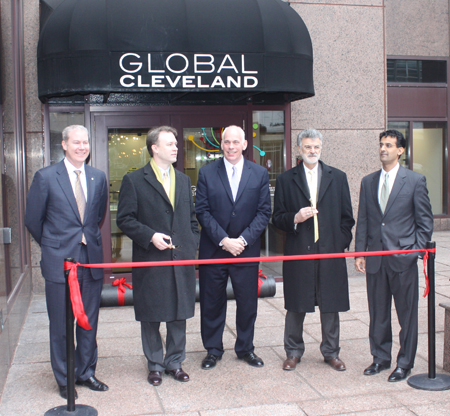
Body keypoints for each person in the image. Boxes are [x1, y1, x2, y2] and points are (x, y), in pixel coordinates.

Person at [25, 125, 108, 399]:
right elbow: (33, 221)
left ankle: (85, 372)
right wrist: (55, 244)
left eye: (85, 142)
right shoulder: (46, 177)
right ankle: (64, 378)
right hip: (59, 263)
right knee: (61, 324)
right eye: (76, 142)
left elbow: (97, 217)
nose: (82, 147)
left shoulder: (98, 177)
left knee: (89, 321)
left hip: (89, 261)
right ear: (64, 144)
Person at [116, 126, 199, 386]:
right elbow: (125, 219)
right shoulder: (135, 180)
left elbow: (191, 219)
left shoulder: (183, 180)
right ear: (154, 148)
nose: (176, 147)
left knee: (178, 314)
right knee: (151, 315)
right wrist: (150, 235)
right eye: (170, 144)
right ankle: (154, 364)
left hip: (180, 259)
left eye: (176, 143)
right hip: (151, 259)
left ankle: (175, 362)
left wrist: (190, 244)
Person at [272, 128, 354, 372]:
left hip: (330, 251)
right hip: (299, 251)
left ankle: (331, 352)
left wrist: (339, 243)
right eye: (308, 147)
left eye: (316, 147)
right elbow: (277, 218)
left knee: (331, 304)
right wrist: (295, 218)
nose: (312, 151)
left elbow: (347, 218)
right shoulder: (286, 179)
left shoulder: (337, 177)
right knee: (296, 305)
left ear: (321, 148)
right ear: (299, 149)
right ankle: (293, 352)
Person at [355, 129, 433, 382]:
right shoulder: (368, 181)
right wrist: (360, 253)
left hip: (403, 259)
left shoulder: (414, 181)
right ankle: (380, 358)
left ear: (400, 150)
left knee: (406, 315)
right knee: (378, 313)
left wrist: (414, 252)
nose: (383, 149)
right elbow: (364, 220)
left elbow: (425, 222)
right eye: (381, 144)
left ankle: (405, 363)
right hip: (376, 259)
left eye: (389, 145)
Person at [195, 125, 271, 370]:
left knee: (247, 302)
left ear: (245, 144)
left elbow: (263, 212)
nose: (230, 146)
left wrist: (243, 240)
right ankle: (213, 350)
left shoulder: (259, 173)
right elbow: (202, 211)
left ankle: (245, 348)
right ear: (221, 144)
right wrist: (224, 240)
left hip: (246, 250)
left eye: (235, 142)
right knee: (212, 302)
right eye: (226, 142)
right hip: (214, 249)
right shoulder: (207, 173)